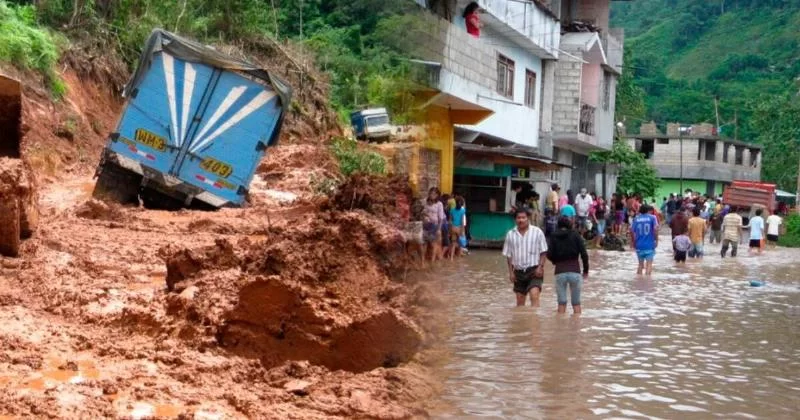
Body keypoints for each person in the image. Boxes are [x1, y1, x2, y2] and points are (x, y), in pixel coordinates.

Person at [502, 209, 548, 307]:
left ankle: (535, 320)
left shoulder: (537, 232)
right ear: (515, 220)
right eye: (519, 218)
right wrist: (511, 272)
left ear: (528, 219)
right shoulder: (510, 234)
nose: (521, 220)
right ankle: (521, 321)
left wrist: (540, 267)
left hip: (534, 270)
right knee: (520, 300)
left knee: (534, 295)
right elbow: (509, 256)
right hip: (518, 272)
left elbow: (543, 251)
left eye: (523, 217)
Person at [546, 217, 589, 314]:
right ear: (569, 224)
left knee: (561, 303)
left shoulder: (553, 236)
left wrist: (555, 261)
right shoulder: (576, 235)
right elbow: (584, 254)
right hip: (575, 271)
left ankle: (560, 327)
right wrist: (586, 271)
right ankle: (577, 327)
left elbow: (548, 254)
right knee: (576, 303)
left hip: (560, 272)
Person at [630, 205, 659, 276]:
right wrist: (656, 240)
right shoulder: (653, 217)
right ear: (648, 210)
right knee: (649, 264)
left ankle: (638, 281)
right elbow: (655, 229)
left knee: (640, 265)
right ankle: (647, 281)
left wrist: (633, 242)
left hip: (639, 245)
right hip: (649, 245)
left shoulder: (636, 218)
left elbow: (631, 231)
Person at [422, 187, 445, 262]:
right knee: (424, 243)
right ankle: (423, 261)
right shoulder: (425, 202)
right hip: (425, 225)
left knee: (433, 244)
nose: (432, 195)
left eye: (434, 194)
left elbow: (441, 218)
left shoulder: (439, 204)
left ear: (437, 195)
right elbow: (423, 212)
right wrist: (425, 216)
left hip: (434, 226)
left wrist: (439, 229)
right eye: (431, 193)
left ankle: (432, 260)